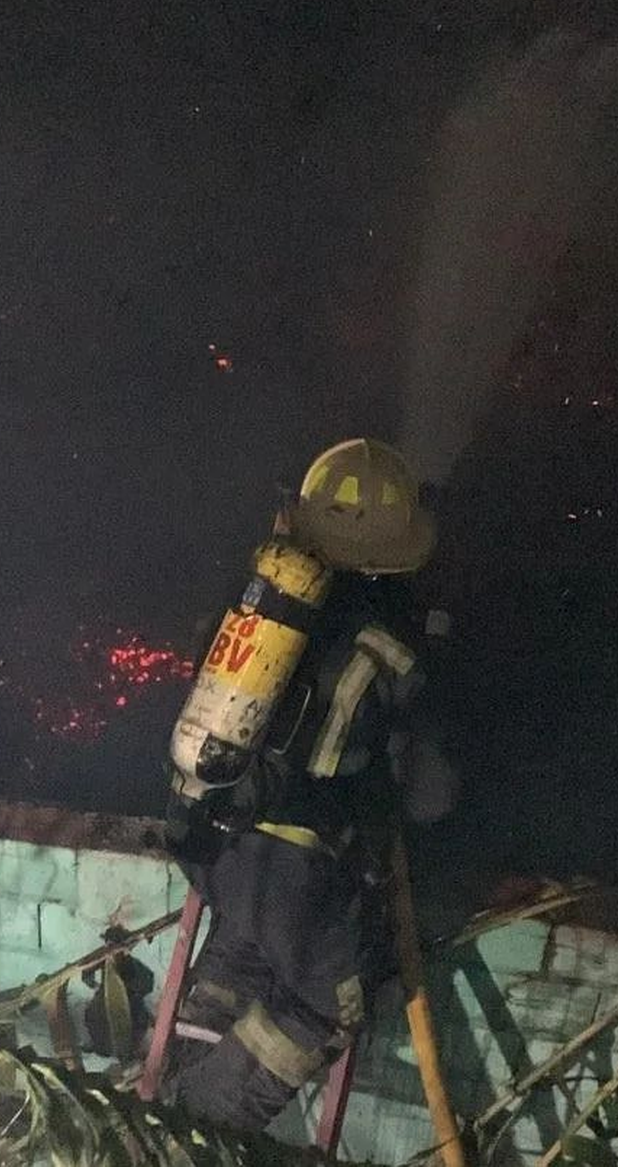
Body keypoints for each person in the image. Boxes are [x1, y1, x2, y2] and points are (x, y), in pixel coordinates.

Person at [162, 438, 455, 1131]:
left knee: (251, 942)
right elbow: (431, 799)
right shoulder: (392, 648)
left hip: (204, 838)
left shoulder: (258, 608)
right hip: (291, 867)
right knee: (330, 1004)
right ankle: (198, 1122)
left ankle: (177, 1070)